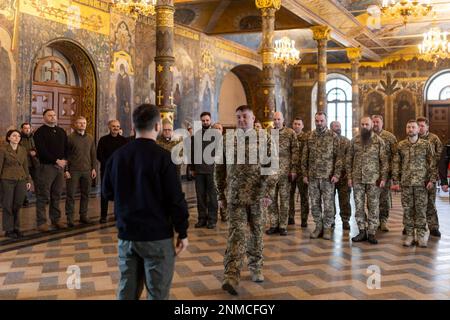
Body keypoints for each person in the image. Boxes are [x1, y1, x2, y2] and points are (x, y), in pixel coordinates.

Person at [102, 104, 189, 300]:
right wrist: (182, 231)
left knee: (127, 291)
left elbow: (107, 193)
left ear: (133, 127)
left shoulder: (117, 156)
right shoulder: (164, 157)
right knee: (157, 293)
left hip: (127, 235)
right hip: (157, 236)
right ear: (158, 126)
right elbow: (176, 199)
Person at [215, 105, 275, 295]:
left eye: (245, 117)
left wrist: (268, 193)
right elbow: (219, 168)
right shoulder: (227, 139)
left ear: (253, 118)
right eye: (238, 117)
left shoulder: (264, 138)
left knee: (257, 232)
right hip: (235, 196)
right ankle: (231, 275)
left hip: (258, 196)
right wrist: (220, 195)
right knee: (236, 234)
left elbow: (271, 167)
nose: (241, 120)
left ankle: (256, 266)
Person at [392, 120, 436, 247]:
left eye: (413, 127)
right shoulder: (401, 145)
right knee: (407, 210)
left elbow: (432, 163)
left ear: (418, 130)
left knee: (421, 210)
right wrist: (396, 180)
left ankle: (421, 235)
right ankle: (410, 235)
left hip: (422, 183)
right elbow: (396, 163)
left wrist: (432, 179)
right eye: (408, 127)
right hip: (406, 183)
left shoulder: (426, 144)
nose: (410, 129)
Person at [302, 111, 342, 240]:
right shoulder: (310, 136)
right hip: (313, 176)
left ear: (326, 120)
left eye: (321, 121)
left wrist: (336, 174)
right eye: (317, 121)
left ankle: (327, 228)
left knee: (328, 204)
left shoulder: (333, 136)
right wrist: (304, 174)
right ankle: (318, 226)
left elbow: (339, 158)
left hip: (328, 177)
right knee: (315, 204)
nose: (319, 123)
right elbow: (304, 157)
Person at [347, 117, 388, 244]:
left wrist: (383, 178)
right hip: (357, 179)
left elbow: (384, 162)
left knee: (373, 207)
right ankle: (362, 231)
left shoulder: (379, 141)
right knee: (359, 207)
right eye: (362, 124)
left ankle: (371, 232)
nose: (364, 126)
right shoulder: (354, 140)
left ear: (371, 125)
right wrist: (349, 177)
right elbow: (349, 160)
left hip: (373, 180)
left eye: (367, 124)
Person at [33, 109, 68, 232]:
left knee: (57, 195)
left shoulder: (61, 131)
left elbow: (66, 149)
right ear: (44, 118)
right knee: (43, 195)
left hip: (60, 168)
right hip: (46, 167)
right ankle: (41, 222)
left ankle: (56, 219)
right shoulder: (39, 132)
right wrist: (56, 160)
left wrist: (64, 162)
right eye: (50, 115)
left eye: (54, 115)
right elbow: (41, 151)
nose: (53, 117)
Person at [266, 111, 299, 236]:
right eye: (275, 119)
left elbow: (295, 152)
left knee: (285, 200)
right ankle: (274, 224)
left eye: (279, 119)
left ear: (283, 120)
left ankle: (283, 225)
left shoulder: (290, 133)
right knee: (271, 199)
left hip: (285, 173)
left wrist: (294, 169)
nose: (276, 121)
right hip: (271, 172)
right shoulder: (268, 132)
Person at [65, 116, 97, 227]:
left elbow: (93, 154)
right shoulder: (69, 138)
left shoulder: (90, 138)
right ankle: (70, 218)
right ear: (75, 124)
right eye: (80, 123)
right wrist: (66, 170)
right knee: (71, 195)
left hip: (87, 170)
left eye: (84, 123)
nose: (82, 125)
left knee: (86, 194)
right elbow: (65, 155)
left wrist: (94, 168)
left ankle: (83, 216)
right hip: (73, 171)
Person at [0, 130, 32, 238]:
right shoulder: (3, 150)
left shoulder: (23, 149)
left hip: (21, 179)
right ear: (8, 137)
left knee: (18, 204)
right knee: (7, 205)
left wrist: (28, 180)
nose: (16, 137)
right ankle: (8, 229)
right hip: (7, 179)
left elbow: (25, 166)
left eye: (18, 136)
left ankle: (16, 228)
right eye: (14, 136)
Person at [96, 120, 128, 223]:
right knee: (104, 193)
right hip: (106, 171)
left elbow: (126, 156)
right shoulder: (103, 140)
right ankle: (103, 216)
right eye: (113, 126)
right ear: (109, 127)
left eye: (118, 126)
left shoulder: (124, 141)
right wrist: (110, 165)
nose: (116, 128)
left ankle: (118, 214)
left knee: (119, 194)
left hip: (120, 171)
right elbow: (99, 155)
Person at [191, 112, 219, 229]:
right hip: (199, 171)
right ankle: (202, 218)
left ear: (210, 120)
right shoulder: (196, 136)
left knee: (212, 197)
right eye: (203, 121)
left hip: (212, 171)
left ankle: (212, 219)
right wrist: (192, 168)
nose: (205, 122)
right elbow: (192, 153)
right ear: (200, 121)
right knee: (200, 196)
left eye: (207, 120)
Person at [417, 117, 443, 238]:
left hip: (429, 175)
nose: (420, 128)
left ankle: (433, 227)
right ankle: (412, 227)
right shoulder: (413, 138)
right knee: (415, 203)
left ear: (427, 127)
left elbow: (440, 157)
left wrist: (434, 175)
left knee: (430, 203)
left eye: (422, 125)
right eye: (419, 125)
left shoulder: (434, 139)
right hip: (415, 177)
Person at [371, 115, 397, 232]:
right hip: (370, 174)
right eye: (373, 122)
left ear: (382, 123)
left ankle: (383, 221)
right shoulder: (367, 136)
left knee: (384, 199)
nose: (375, 124)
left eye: (377, 122)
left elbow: (395, 156)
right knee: (372, 199)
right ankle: (373, 221)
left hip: (385, 174)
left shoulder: (390, 137)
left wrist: (393, 174)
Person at [330, 121, 351, 231]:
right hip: (330, 176)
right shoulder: (327, 140)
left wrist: (349, 174)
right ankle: (331, 220)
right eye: (335, 126)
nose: (338, 128)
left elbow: (350, 158)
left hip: (344, 176)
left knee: (345, 199)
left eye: (339, 126)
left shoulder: (346, 141)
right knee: (329, 200)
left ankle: (345, 220)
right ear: (330, 128)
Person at [289, 117, 309, 227]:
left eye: (299, 124)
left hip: (302, 172)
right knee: (289, 195)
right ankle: (290, 217)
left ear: (302, 126)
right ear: (292, 125)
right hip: (290, 171)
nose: (296, 126)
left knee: (304, 196)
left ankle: (304, 219)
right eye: (295, 124)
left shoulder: (306, 137)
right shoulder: (288, 136)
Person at [19, 122, 38, 206]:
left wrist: (35, 152)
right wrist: (28, 152)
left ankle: (40, 198)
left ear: (30, 129)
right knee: (24, 182)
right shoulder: (19, 138)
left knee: (38, 181)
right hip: (24, 163)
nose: (27, 129)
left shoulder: (34, 137)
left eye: (28, 128)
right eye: (25, 128)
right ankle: (24, 199)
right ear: (22, 129)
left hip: (34, 163)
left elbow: (39, 148)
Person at [212, 122, 227, 222]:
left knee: (223, 193)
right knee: (211, 195)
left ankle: (224, 214)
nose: (217, 130)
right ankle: (212, 216)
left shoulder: (226, 142)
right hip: (211, 172)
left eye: (219, 129)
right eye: (215, 129)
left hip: (223, 173)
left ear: (222, 130)